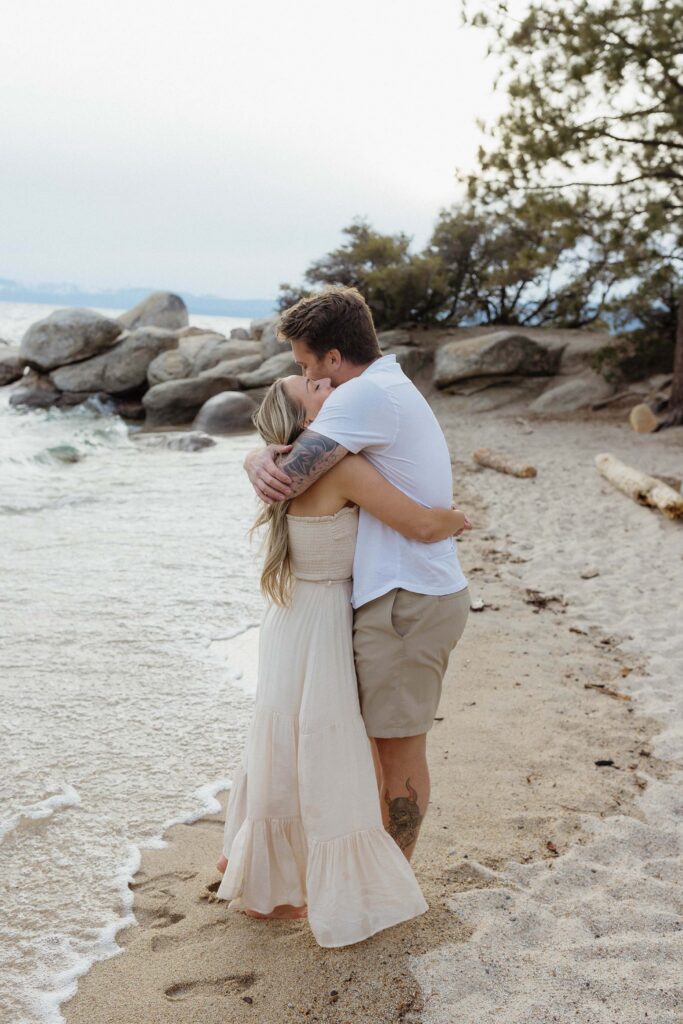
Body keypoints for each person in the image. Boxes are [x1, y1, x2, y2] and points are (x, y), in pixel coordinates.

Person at [215, 373, 471, 947]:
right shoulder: (342, 467)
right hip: (327, 618)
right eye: (310, 387)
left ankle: (269, 884)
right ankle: (347, 890)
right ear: (306, 422)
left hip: (289, 618)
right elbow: (424, 524)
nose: (324, 384)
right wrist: (457, 518)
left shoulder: (282, 471)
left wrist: (254, 454)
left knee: (283, 744)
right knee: (326, 748)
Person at [242, 286, 470, 863]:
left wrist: (260, 457)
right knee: (379, 745)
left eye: (306, 364)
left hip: (406, 600)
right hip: (404, 597)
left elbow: (288, 479)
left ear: (334, 360)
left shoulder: (360, 398)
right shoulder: (385, 387)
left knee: (395, 751)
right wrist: (254, 454)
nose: (307, 373)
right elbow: (292, 469)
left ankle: (393, 876)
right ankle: (379, 871)